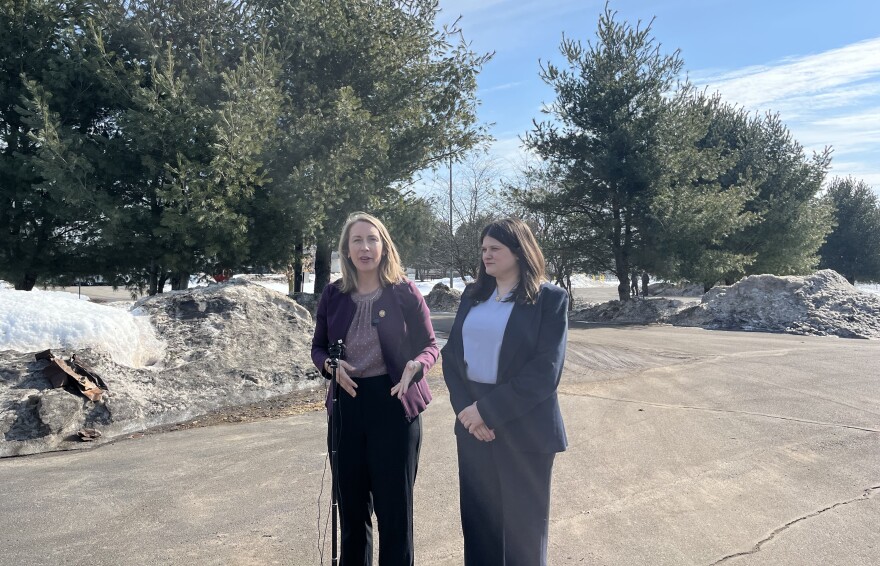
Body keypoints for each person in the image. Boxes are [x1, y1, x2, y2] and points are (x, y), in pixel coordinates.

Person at [311, 212, 438, 566]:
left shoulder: (404, 291)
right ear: (347, 250)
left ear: (384, 246)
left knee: (395, 515)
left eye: (372, 239)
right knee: (351, 514)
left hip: (394, 405)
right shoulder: (333, 295)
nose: (365, 247)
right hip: (347, 407)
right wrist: (328, 366)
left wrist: (418, 365)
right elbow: (317, 347)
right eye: (357, 240)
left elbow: (430, 344)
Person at [441, 218, 568, 566]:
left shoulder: (549, 299)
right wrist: (468, 412)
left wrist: (486, 411)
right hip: (473, 428)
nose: (486, 255)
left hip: (525, 427)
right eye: (483, 249)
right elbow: (451, 357)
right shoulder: (473, 295)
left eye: (494, 248)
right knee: (480, 528)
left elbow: (546, 372)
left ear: (519, 250)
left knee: (523, 533)